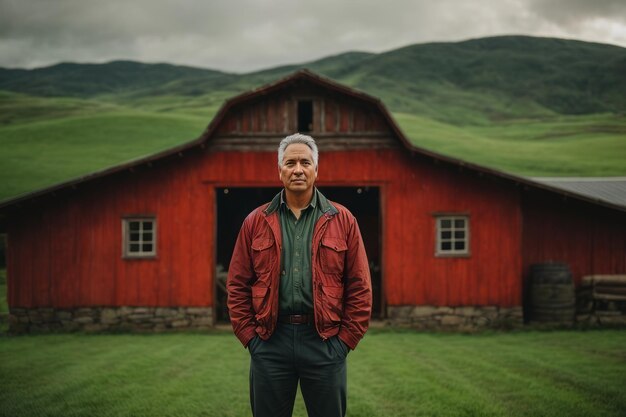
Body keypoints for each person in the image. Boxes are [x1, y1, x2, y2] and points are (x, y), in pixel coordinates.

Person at [227, 133, 372, 417]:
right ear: (279, 170)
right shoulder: (255, 221)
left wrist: (344, 342)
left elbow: (360, 286)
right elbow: (236, 285)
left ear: (316, 170)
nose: (298, 169)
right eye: (290, 162)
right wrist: (251, 339)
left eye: (305, 162)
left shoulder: (343, 220)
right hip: (270, 342)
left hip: (325, 342)